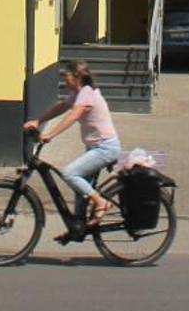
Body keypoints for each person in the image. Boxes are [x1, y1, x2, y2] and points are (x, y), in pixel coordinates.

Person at [24, 60, 121, 233]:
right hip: (96, 148)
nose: (64, 79)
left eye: (66, 76)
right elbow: (62, 107)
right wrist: (38, 121)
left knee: (69, 173)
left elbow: (74, 116)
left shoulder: (86, 93)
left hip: (105, 148)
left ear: (77, 77)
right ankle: (78, 227)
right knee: (80, 187)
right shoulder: (79, 93)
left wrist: (50, 134)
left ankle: (101, 202)